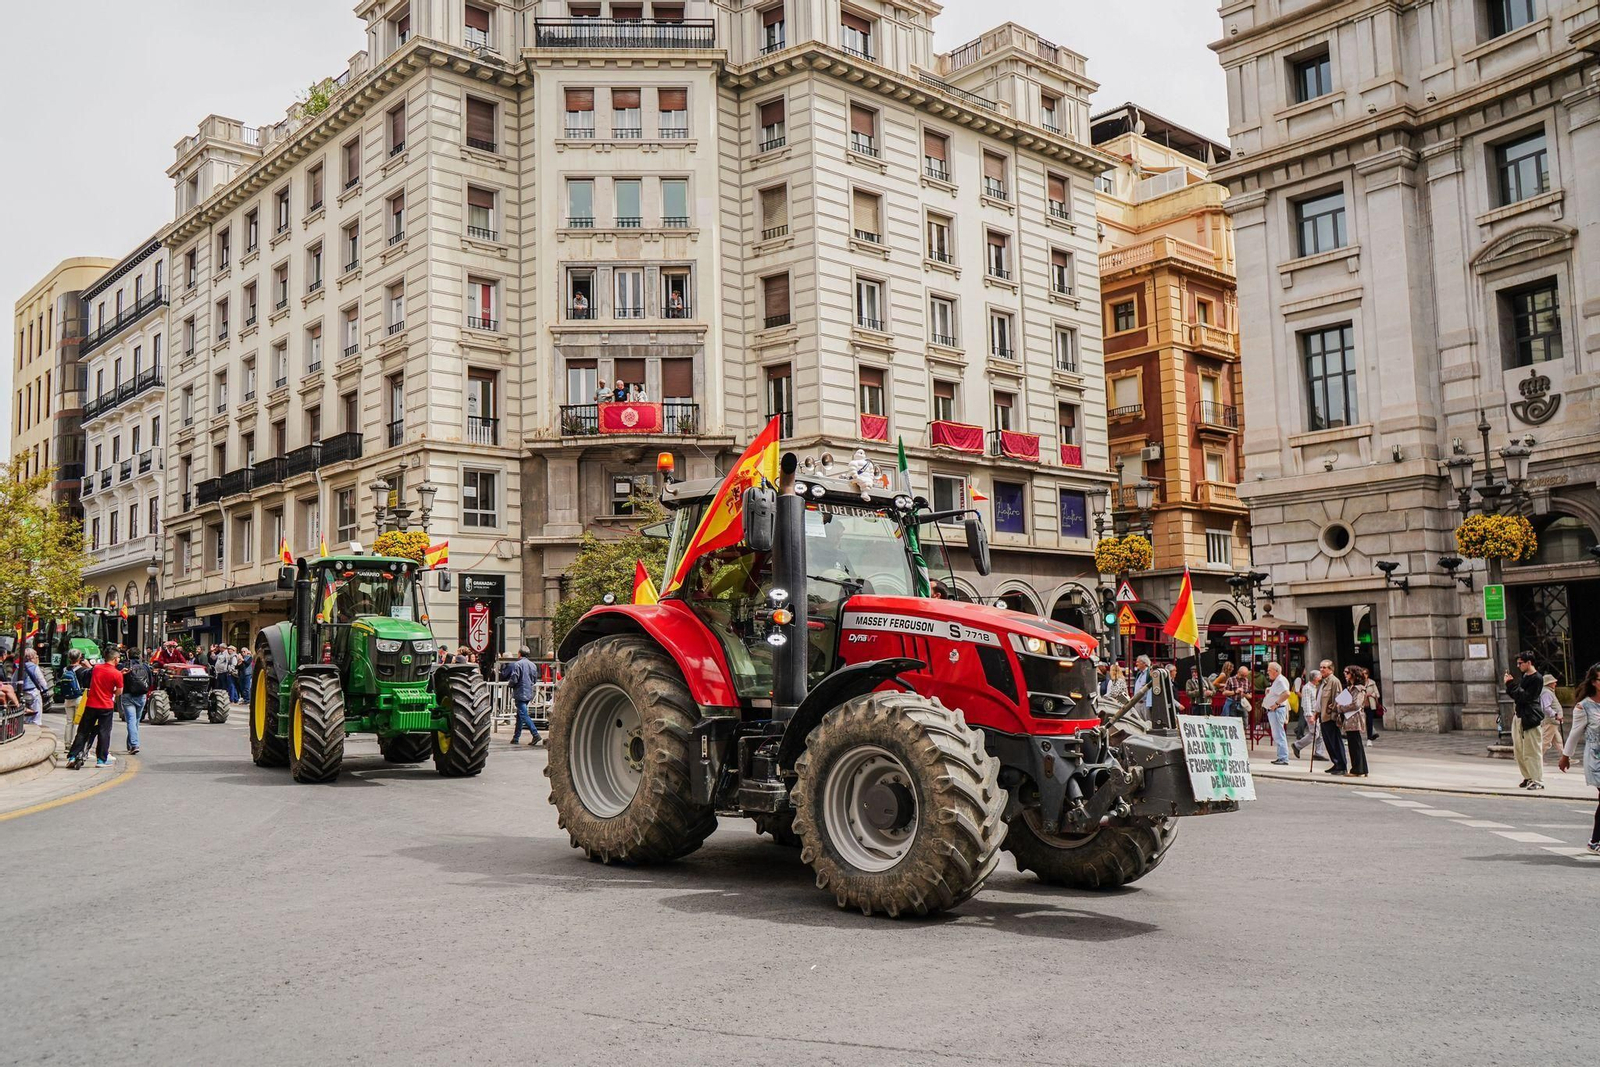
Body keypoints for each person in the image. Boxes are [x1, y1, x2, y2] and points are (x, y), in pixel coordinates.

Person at [1557, 662, 1600, 855]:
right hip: (1596, 758)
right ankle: (1595, 841)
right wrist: (1565, 756)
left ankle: (1594, 840)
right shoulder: (1584, 707)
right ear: (1594, 682)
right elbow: (1575, 733)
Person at [67, 647, 123, 770]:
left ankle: (73, 756)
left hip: (91, 704)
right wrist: (111, 690)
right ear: (114, 659)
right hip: (106, 706)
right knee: (104, 733)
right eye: (118, 657)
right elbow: (119, 692)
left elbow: (89, 676)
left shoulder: (96, 668)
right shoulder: (117, 674)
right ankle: (101, 759)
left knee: (82, 731)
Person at [1505, 651, 1546, 790]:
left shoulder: (1537, 678)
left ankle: (1537, 780)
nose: (1518, 666)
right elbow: (1517, 695)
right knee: (1519, 750)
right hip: (1520, 715)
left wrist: (1511, 685)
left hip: (1530, 717)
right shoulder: (1525, 676)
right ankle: (1528, 777)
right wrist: (1510, 686)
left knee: (1532, 750)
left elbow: (1526, 697)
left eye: (1520, 663)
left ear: (1529, 663)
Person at [499, 647, 541, 746]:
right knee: (520, 715)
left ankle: (535, 734)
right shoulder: (533, 665)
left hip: (520, 692)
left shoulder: (518, 664)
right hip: (529, 692)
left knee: (523, 714)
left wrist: (510, 684)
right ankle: (516, 737)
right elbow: (534, 680)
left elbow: (514, 678)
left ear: (519, 654)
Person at [1316, 659, 1347, 774]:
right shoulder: (1323, 682)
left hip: (1330, 717)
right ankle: (1335, 763)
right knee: (1328, 742)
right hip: (1323, 716)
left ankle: (1341, 765)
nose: (1322, 669)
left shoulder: (1334, 681)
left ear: (1331, 669)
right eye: (1321, 667)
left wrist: (1333, 709)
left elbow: (1338, 698)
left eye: (1324, 667)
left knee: (1335, 742)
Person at [1339, 666, 1370, 778]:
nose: (1345, 674)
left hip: (1355, 718)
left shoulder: (1358, 688)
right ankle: (1361, 768)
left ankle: (1358, 769)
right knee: (1354, 744)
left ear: (1354, 674)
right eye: (1345, 672)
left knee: (1355, 744)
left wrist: (1341, 708)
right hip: (1350, 718)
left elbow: (1356, 704)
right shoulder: (1350, 688)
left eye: (1347, 672)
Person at [121, 652, 152, 755]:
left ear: (128, 656)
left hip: (127, 695)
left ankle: (134, 744)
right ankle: (131, 744)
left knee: (131, 720)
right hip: (141, 696)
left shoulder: (124, 666)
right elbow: (151, 682)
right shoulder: (145, 666)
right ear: (139, 656)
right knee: (136, 721)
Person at [1261, 660, 1291, 765]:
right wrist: (1270, 690)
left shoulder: (1280, 680)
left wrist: (1276, 704)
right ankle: (1281, 757)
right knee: (1277, 734)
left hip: (1277, 710)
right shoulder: (1278, 680)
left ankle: (1283, 758)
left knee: (1279, 734)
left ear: (1276, 671)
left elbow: (1287, 693)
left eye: (1269, 670)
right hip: (1275, 710)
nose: (1267, 672)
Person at [1539, 674, 1564, 757]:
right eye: (1553, 682)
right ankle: (1537, 758)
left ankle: (1566, 757)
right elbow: (1546, 707)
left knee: (1558, 741)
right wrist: (1556, 715)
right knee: (1545, 742)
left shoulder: (1548, 691)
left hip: (1552, 721)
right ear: (1549, 683)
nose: (1555, 684)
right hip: (1550, 721)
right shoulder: (1546, 692)